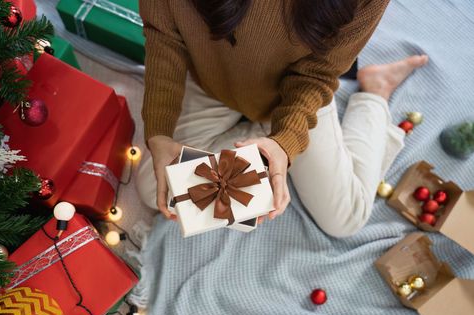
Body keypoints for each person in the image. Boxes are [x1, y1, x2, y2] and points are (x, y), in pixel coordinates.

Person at [136, 0, 428, 238]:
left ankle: (375, 94)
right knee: (156, 187)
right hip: (215, 81)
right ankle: (265, 139)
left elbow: (318, 74)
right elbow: (164, 34)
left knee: (346, 219)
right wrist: (159, 133)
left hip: (293, 95)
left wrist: (286, 139)